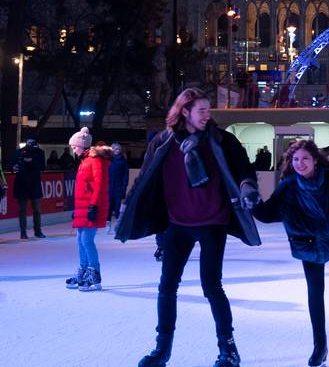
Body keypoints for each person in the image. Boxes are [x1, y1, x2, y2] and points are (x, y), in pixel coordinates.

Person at [115, 87, 264, 367]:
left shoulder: (221, 140)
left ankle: (228, 350)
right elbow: (144, 177)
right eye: (202, 111)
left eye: (209, 110)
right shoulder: (162, 141)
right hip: (176, 224)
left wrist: (247, 187)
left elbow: (245, 168)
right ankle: (162, 349)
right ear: (185, 112)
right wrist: (126, 206)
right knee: (167, 286)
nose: (208, 115)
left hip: (212, 222)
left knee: (212, 286)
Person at [255, 140, 329, 367]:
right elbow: (270, 212)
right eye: (296, 159)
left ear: (315, 160)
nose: (300, 164)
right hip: (309, 244)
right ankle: (320, 346)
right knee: (315, 292)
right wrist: (250, 201)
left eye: (305, 159)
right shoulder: (289, 187)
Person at [67, 130, 111, 291]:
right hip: (83, 207)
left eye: (74, 147)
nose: (73, 150)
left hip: (92, 207)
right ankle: (84, 270)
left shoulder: (96, 161)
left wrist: (93, 206)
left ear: (81, 145)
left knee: (86, 240)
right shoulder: (85, 161)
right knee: (80, 240)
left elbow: (100, 185)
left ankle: (94, 272)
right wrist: (77, 208)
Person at [108, 141, 130, 234]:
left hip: (118, 187)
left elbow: (126, 174)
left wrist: (124, 186)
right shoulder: (108, 160)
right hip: (109, 187)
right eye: (115, 149)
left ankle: (117, 225)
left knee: (117, 207)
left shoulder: (123, 161)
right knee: (108, 206)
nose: (117, 150)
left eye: (118, 149)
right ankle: (108, 225)